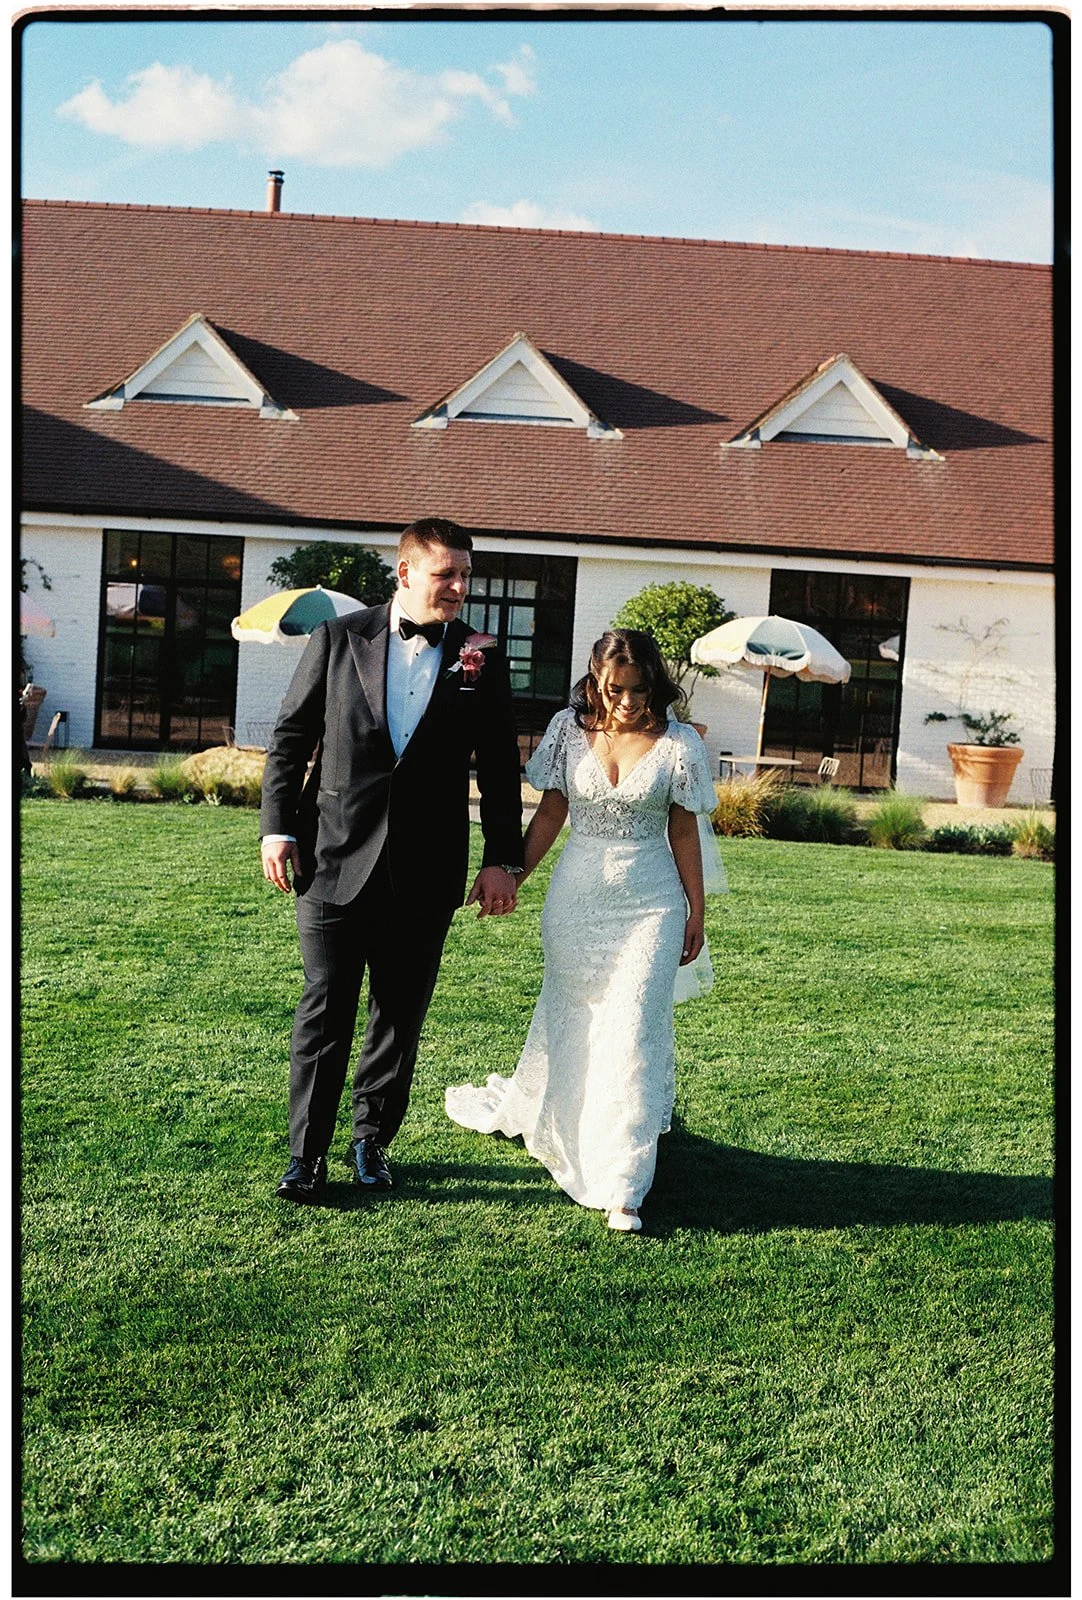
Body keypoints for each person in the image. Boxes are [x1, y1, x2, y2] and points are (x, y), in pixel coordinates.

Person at [261, 517, 525, 1203]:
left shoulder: (481, 656)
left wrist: (503, 859)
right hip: (332, 858)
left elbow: (499, 766)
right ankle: (306, 1156)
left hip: (429, 865)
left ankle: (371, 1142)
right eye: (448, 575)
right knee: (325, 1007)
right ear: (405, 573)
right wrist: (276, 829)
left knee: (398, 1014)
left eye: (466, 575)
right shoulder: (337, 639)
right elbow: (291, 739)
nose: (461, 588)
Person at [445, 628, 724, 1233]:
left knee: (632, 1031)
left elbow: (683, 833)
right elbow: (551, 812)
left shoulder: (678, 746)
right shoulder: (569, 731)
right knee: (578, 1023)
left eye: (640, 689)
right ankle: (568, 1130)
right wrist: (512, 874)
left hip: (651, 904)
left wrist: (696, 910)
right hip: (577, 902)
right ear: (595, 680)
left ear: (657, 684)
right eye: (614, 689)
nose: (626, 701)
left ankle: (623, 1182)